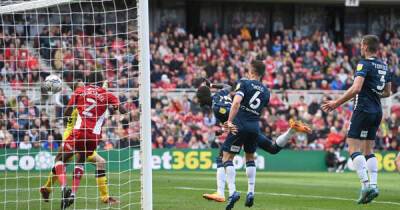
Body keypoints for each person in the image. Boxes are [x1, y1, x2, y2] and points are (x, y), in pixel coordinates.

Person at [197, 79, 311, 203]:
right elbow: (228, 86)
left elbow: (231, 114)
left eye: (198, 99)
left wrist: (229, 126)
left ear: (202, 99)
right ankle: (291, 131)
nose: (198, 102)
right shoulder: (221, 94)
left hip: (240, 127)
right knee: (272, 149)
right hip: (250, 125)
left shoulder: (216, 107)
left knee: (222, 158)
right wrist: (213, 84)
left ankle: (223, 192)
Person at [222, 60, 311, 209]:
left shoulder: (244, 83)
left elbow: (236, 103)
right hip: (254, 127)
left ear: (251, 71)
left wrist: (230, 121)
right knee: (250, 157)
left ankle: (232, 192)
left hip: (239, 124)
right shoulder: (266, 91)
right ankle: (251, 192)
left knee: (226, 157)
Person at [322, 35, 392, 204]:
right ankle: (374, 185)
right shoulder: (384, 66)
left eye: (361, 45)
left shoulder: (364, 64)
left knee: (353, 146)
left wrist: (336, 103)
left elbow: (356, 88)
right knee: (369, 149)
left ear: (366, 46)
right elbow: (387, 92)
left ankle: (366, 185)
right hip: (377, 111)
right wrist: (374, 91)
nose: (360, 48)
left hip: (363, 109)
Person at [51, 73, 126, 209]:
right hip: (94, 137)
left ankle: (63, 187)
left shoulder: (80, 91)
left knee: (60, 159)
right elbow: (123, 111)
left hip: (79, 132)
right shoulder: (108, 95)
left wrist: (78, 108)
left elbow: (67, 112)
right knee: (81, 161)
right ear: (102, 81)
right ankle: (73, 193)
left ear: (87, 81)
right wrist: (115, 106)